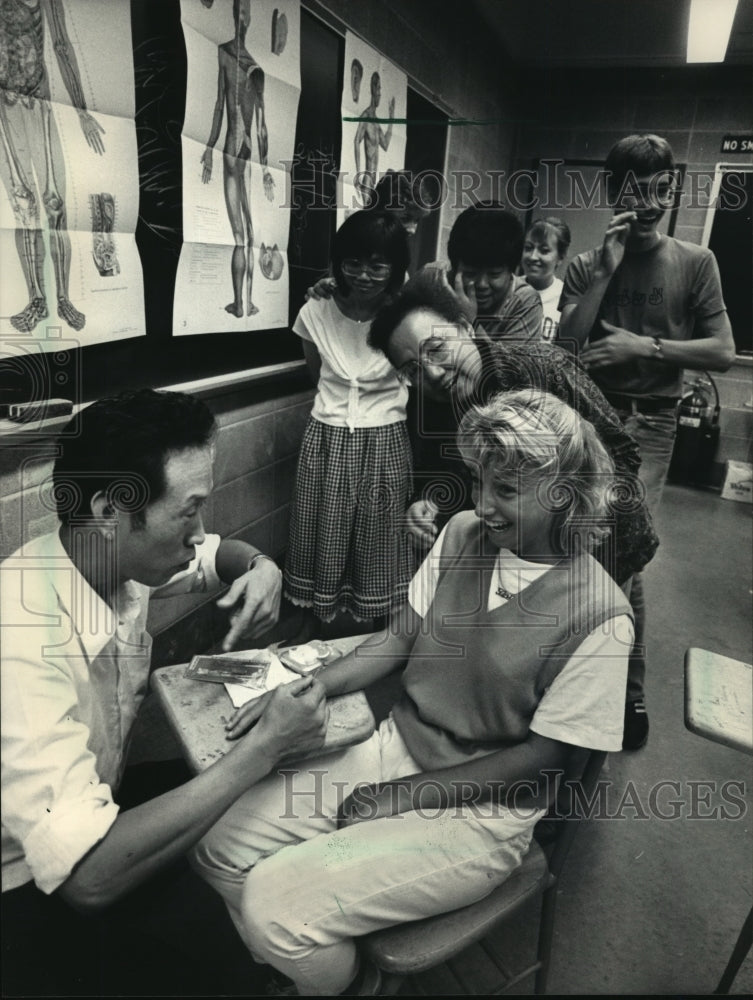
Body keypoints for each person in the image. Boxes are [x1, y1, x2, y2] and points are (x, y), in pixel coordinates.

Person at [191, 390, 634, 996]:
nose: (482, 505)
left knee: (274, 906)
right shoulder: (462, 535)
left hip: (480, 817)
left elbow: (545, 758)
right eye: (478, 481)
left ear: (566, 496)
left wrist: (397, 797)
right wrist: (305, 686)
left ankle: (339, 978)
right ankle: (330, 964)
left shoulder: (601, 615)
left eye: (505, 491)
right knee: (219, 848)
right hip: (396, 746)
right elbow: (397, 639)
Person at [1, 388, 328, 996]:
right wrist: (264, 748)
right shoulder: (19, 642)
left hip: (99, 803)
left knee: (251, 817)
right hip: (25, 887)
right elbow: (88, 879)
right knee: (224, 975)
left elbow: (216, 554)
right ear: (111, 509)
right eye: (190, 509)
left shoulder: (110, 559)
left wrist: (263, 568)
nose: (198, 531)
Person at [558, 133, 736, 749]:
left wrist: (646, 346)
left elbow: (723, 351)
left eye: (661, 187)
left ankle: (627, 695)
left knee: (625, 553)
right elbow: (565, 348)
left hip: (654, 422)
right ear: (614, 192)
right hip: (593, 415)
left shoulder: (696, 262)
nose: (650, 199)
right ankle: (591, 687)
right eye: (636, 188)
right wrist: (604, 271)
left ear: (671, 190)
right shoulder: (589, 263)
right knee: (585, 548)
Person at [375, 270, 658, 592]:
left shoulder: (542, 368)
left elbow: (622, 451)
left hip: (604, 545)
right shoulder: (426, 407)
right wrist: (424, 503)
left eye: (437, 348)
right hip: (524, 556)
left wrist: (584, 514)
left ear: (465, 328)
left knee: (612, 624)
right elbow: (435, 475)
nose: (434, 373)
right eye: (412, 369)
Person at [284, 210, 413, 633]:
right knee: (318, 528)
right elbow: (314, 373)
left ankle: (379, 628)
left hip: (385, 440)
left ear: (395, 268)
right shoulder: (316, 310)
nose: (364, 275)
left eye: (378, 265)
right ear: (338, 263)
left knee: (379, 534)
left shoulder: (407, 314)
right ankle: (312, 619)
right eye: (353, 263)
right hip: (327, 437)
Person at [0, 0, 106, 333]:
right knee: (23, 207)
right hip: (5, 109)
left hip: (40, 104)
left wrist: (82, 112)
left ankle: (63, 299)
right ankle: (36, 300)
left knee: (54, 206)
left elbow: (61, 46)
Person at [200, 0, 275, 319]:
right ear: (236, 15)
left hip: (234, 149)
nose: (242, 16)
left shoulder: (240, 60)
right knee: (246, 234)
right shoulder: (238, 59)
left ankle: (242, 303)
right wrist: (208, 146)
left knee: (241, 236)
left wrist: (211, 147)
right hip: (238, 150)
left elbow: (255, 122)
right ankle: (245, 301)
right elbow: (254, 124)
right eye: (240, 9)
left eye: (245, 10)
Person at [437, 201, 544, 342]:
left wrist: (471, 321)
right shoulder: (434, 279)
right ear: (455, 266)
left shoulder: (525, 302)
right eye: (470, 273)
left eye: (494, 274)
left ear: (513, 270)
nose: (481, 284)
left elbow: (507, 365)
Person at [521, 216, 572, 342]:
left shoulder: (566, 299)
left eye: (544, 251)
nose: (533, 257)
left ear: (560, 257)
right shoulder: (508, 288)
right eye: (528, 248)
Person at [353, 71, 395, 207]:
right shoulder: (366, 116)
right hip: (367, 179)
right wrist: (358, 174)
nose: (380, 94)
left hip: (374, 181)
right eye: (378, 89)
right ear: (373, 89)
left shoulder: (376, 121)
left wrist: (391, 118)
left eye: (380, 90)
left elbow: (386, 145)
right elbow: (356, 141)